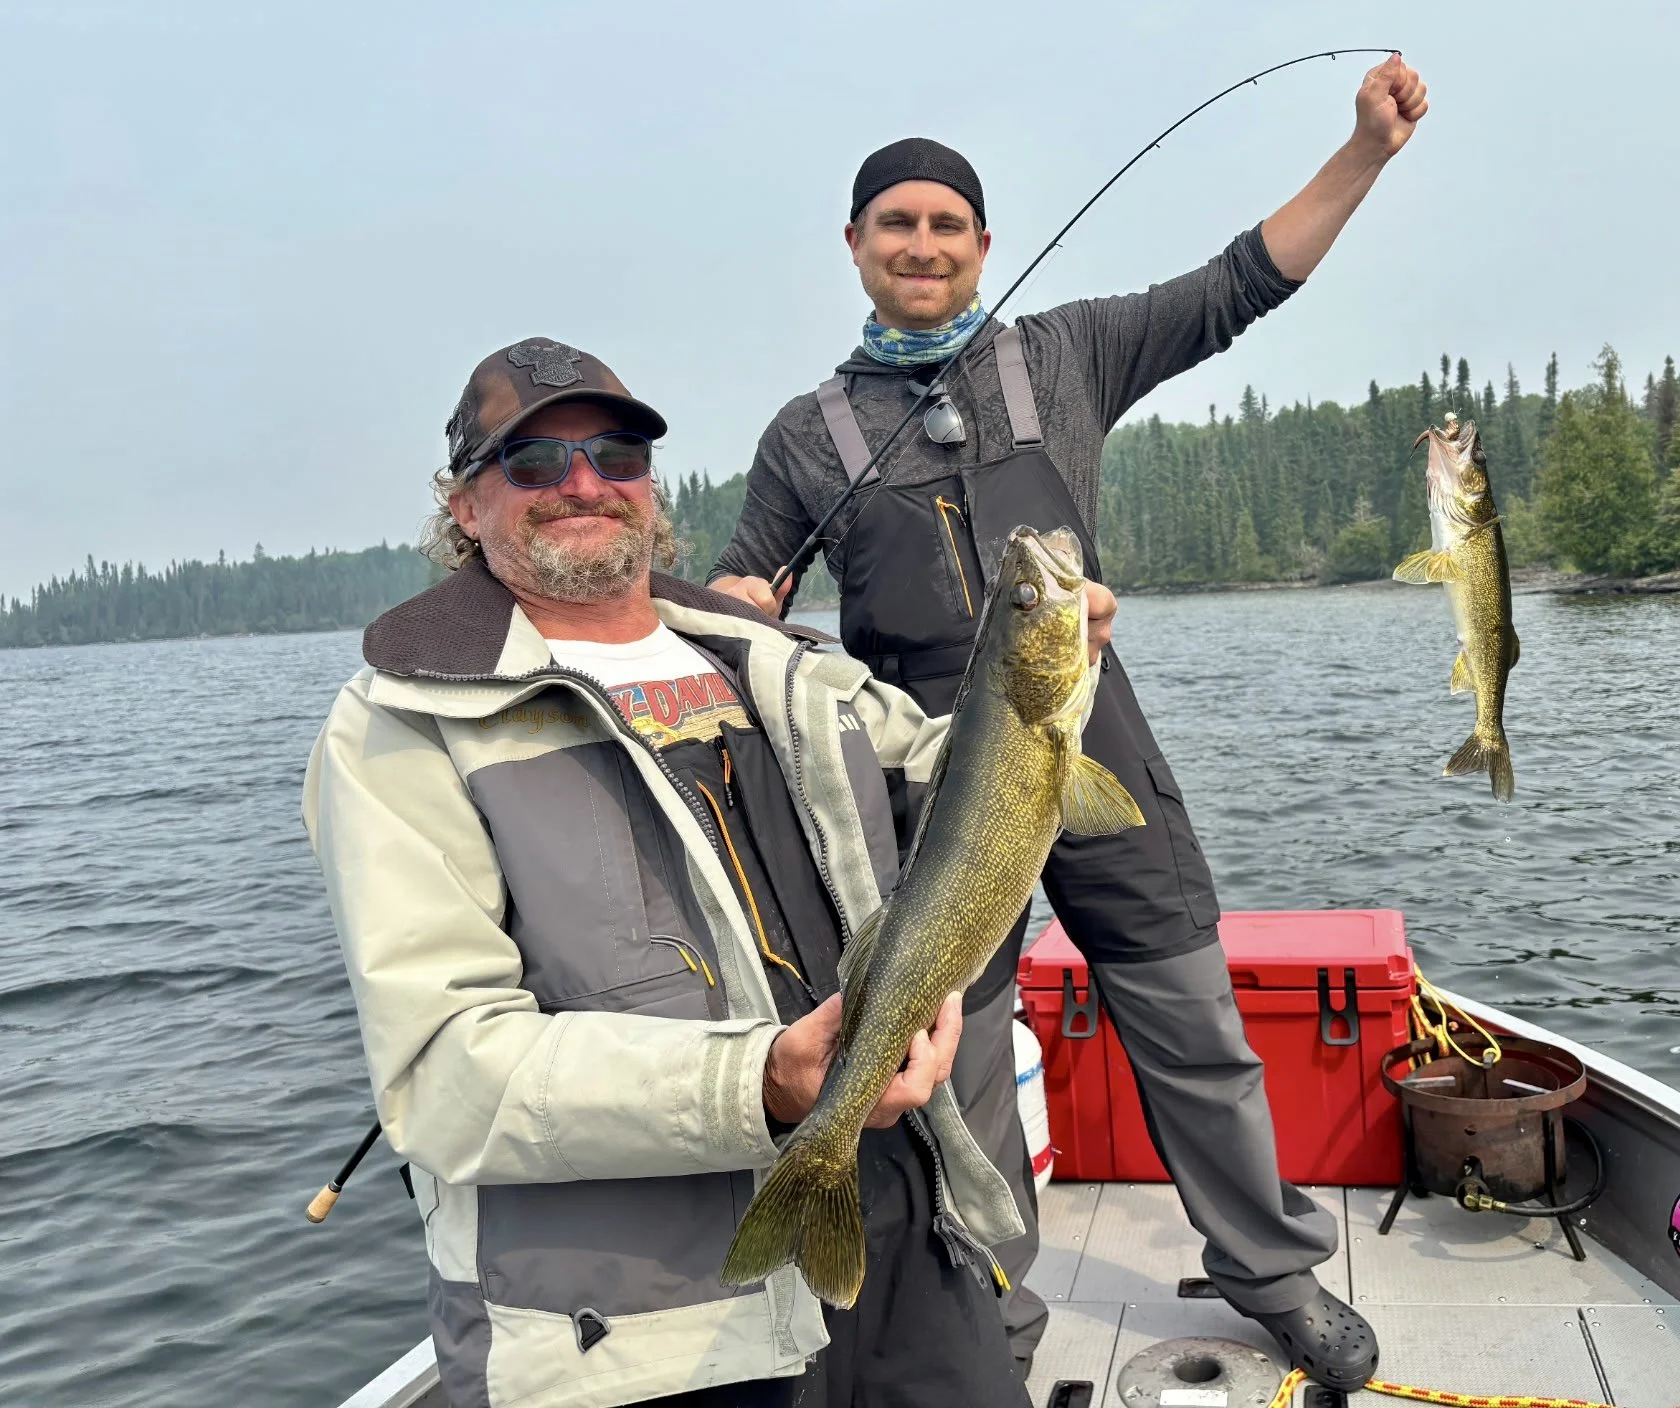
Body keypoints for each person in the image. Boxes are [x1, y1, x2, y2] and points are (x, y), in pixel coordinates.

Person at [708, 55, 1428, 1392]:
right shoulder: (807, 436)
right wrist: (732, 615)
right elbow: (748, 607)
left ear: (984, 247)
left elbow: (1239, 284)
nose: (922, 245)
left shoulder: (1065, 352)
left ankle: (1271, 1274)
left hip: (1088, 749)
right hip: (922, 801)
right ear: (857, 246)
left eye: (946, 224)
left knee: (1194, 1025)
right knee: (958, 1083)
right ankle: (998, 1323)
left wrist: (1364, 154)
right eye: (896, 224)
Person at [304, 338, 1115, 1408]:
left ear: (652, 483)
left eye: (617, 452)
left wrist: (1064, 657)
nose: (584, 482)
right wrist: (762, 1082)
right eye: (534, 462)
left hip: (905, 1232)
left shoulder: (772, 660)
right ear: (464, 505)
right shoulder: (400, 728)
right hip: (652, 1332)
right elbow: (446, 1075)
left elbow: (966, 781)